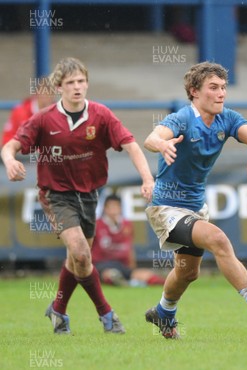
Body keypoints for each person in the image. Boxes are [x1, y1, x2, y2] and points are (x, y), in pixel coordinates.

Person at [1, 57, 155, 334]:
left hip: (90, 195)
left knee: (77, 261)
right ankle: (106, 313)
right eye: (70, 82)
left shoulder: (101, 115)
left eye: (81, 81)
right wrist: (10, 161)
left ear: (87, 83)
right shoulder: (43, 119)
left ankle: (58, 310)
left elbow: (131, 145)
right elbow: (9, 146)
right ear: (59, 87)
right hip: (56, 195)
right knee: (83, 254)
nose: (77, 87)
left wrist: (147, 178)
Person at [143, 62, 247, 339]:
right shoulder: (182, 118)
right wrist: (161, 144)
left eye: (223, 88)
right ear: (194, 92)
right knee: (218, 239)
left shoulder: (227, 118)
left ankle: (163, 312)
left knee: (186, 273)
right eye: (214, 88)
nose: (221, 94)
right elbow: (152, 137)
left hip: (194, 208)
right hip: (166, 208)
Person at [92, 194, 166, 287]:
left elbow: (130, 248)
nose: (114, 210)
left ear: (120, 208)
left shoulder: (127, 224)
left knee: (146, 275)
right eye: (111, 207)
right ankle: (124, 282)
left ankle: (169, 284)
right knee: (111, 274)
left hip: (122, 265)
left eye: (116, 206)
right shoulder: (96, 224)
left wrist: (132, 268)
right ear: (105, 209)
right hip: (102, 265)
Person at [2, 78, 55, 145]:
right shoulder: (20, 111)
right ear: (37, 92)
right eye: (44, 92)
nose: (48, 96)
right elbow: (7, 138)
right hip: (21, 153)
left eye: (51, 93)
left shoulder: (58, 114)